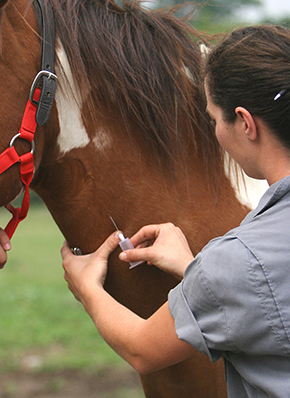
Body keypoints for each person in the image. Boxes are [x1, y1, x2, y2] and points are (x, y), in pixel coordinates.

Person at [2, 24, 290, 397]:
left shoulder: (240, 258)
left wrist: (88, 286)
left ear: (246, 123)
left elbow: (143, 348)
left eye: (213, 120)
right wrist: (195, 270)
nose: (215, 133)